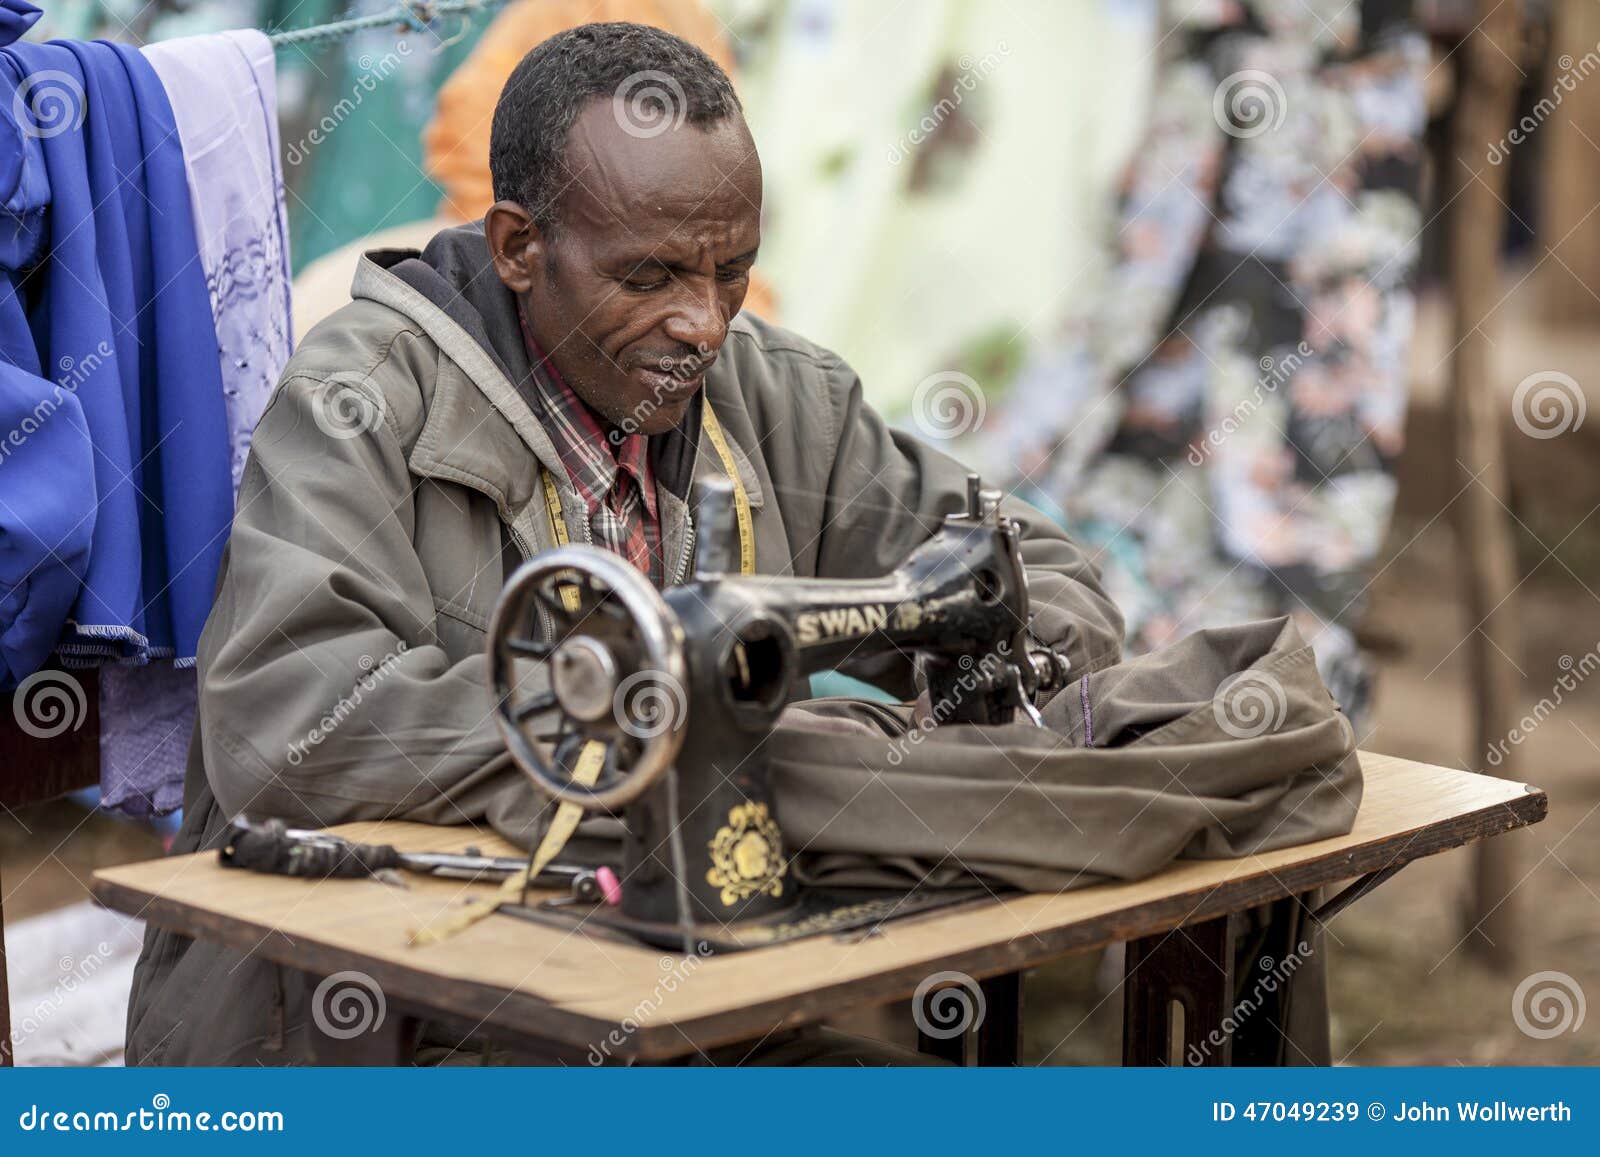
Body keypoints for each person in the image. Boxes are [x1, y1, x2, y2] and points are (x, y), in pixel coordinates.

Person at [125, 21, 1122, 1066]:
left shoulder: (779, 398)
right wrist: (625, 732)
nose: (702, 321)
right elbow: (285, 720)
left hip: (678, 992)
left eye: (732, 269)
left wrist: (998, 677)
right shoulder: (361, 400)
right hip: (367, 1014)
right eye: (649, 277)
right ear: (518, 246)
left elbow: (1029, 567)